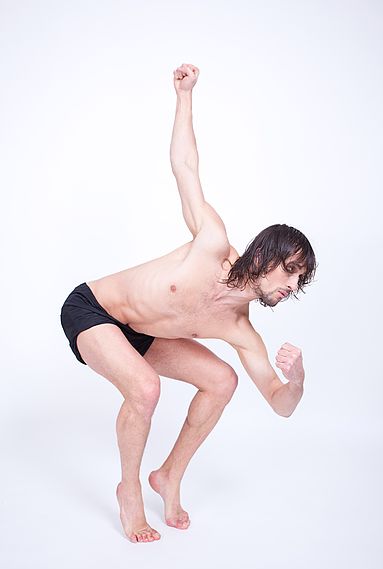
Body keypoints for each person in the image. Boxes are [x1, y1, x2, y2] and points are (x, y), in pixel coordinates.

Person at [60, 63, 317, 543]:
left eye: (299, 280)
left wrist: (297, 381)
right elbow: (185, 167)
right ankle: (130, 490)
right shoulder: (211, 241)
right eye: (290, 269)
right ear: (264, 254)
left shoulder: (242, 330)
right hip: (93, 310)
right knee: (146, 387)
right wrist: (184, 96)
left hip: (140, 334)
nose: (290, 285)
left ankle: (169, 475)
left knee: (222, 379)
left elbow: (281, 406)